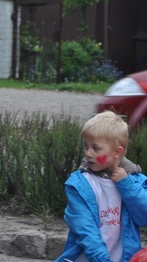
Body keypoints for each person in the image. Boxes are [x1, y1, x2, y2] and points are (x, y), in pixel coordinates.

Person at [55, 110, 147, 262]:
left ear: (117, 152)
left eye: (96, 148)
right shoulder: (79, 184)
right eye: (86, 146)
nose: (88, 153)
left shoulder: (135, 181)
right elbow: (85, 230)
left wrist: (127, 186)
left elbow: (144, 216)